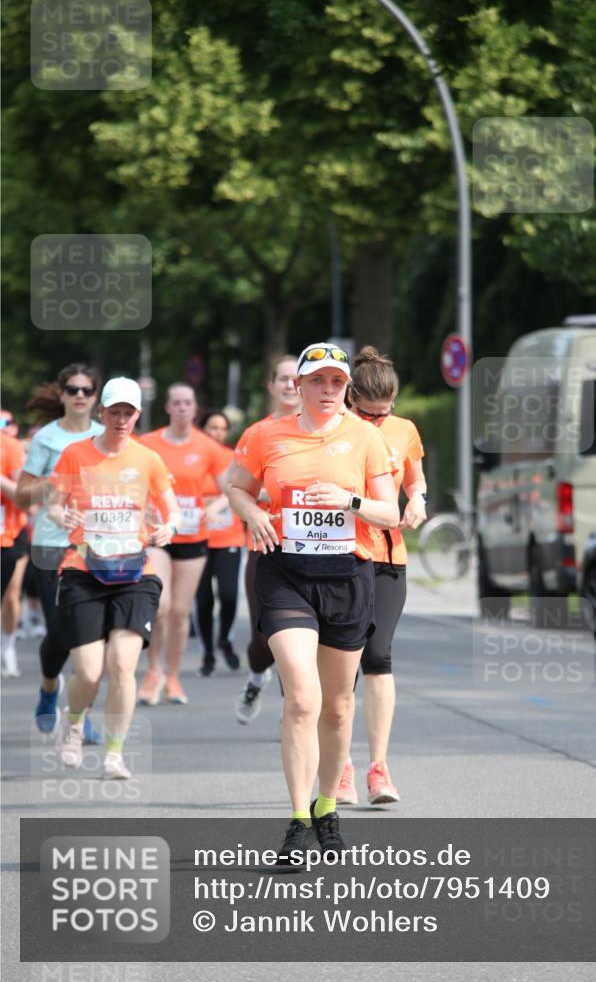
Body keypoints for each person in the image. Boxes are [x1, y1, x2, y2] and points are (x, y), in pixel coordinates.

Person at [230, 343, 399, 860]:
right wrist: (252, 514)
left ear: (346, 388)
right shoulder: (264, 435)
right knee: (302, 698)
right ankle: (299, 819)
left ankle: (328, 805)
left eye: (336, 382)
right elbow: (236, 486)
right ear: (297, 386)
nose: (327, 391)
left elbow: (390, 513)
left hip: (348, 576)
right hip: (286, 575)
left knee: (339, 705)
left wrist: (350, 502)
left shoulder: (365, 437)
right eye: (317, 381)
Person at [47, 377, 180, 778]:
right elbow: (53, 505)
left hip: (135, 571)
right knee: (89, 671)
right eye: (115, 411)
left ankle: (114, 753)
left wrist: (169, 528)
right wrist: (62, 515)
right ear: (101, 412)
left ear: (138, 415)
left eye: (129, 412)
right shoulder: (75, 455)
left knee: (123, 664)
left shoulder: (148, 459)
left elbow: (172, 510)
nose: (122, 419)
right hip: (83, 571)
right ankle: (72, 722)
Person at [337, 347, 427, 806]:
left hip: (390, 559)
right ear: (352, 398)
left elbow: (415, 478)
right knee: (343, 666)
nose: (378, 420)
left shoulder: (404, 429)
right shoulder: (337, 430)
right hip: (344, 557)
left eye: (385, 412)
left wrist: (419, 501)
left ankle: (378, 766)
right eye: (369, 413)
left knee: (378, 654)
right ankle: (340, 769)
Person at [16, 364, 104, 734]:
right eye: (73, 389)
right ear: (63, 395)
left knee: (93, 638)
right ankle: (50, 687)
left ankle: (79, 716)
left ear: (95, 396)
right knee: (61, 632)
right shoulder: (46, 439)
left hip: (98, 545)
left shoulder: (105, 435)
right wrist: (52, 483)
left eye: (86, 390)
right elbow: (22, 497)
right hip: (52, 546)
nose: (80, 395)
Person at [138, 383, 228, 704]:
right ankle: (153, 671)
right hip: (158, 534)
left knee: (179, 613)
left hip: (193, 535)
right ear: (167, 407)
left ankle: (173, 676)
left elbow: (231, 488)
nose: (181, 408)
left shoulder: (208, 447)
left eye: (187, 403)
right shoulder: (147, 444)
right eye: (175, 403)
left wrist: (213, 509)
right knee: (159, 608)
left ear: (195, 408)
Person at [231, 354, 300, 722]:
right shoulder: (258, 433)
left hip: (314, 551)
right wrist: (257, 505)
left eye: (296, 378)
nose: (290, 385)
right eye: (283, 379)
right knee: (264, 642)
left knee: (303, 642)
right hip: (266, 548)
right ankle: (257, 677)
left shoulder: (324, 431)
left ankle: (298, 716)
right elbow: (232, 483)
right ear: (271, 386)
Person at [194, 410, 244, 676]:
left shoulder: (231, 457)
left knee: (228, 594)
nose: (217, 433)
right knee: (203, 600)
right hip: (198, 538)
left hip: (229, 537)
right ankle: (208, 653)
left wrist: (220, 504)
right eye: (211, 427)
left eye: (222, 429)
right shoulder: (192, 459)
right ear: (201, 429)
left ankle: (225, 639)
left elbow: (239, 489)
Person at [1, 424, 27, 676]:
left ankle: (7, 647)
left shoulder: (9, 445)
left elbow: (24, 497)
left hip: (9, 535)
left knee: (11, 595)